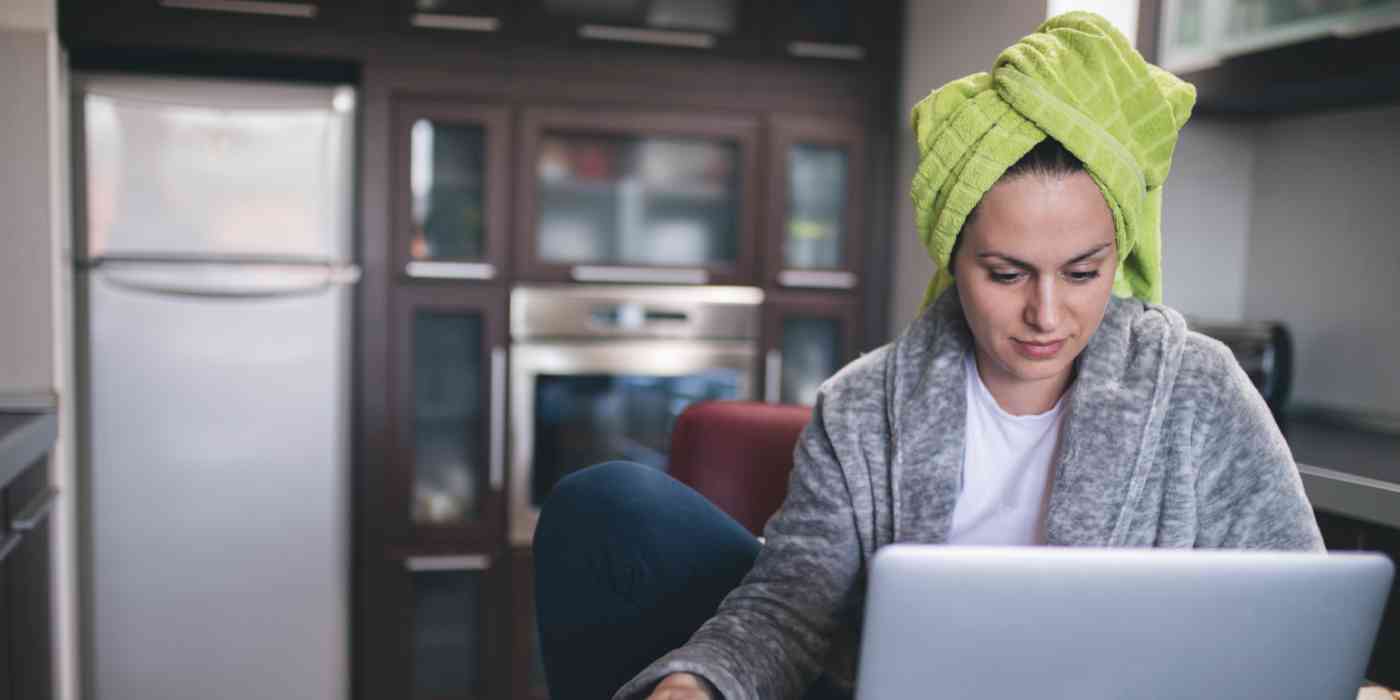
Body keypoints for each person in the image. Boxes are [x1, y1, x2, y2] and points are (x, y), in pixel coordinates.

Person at [533, 12, 1325, 700]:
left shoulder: (1196, 389)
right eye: (1006, 273)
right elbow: (790, 606)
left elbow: (1298, 618)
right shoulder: (864, 404)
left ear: (1118, 251)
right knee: (610, 506)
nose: (1047, 314)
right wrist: (696, 681)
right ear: (954, 256)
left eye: (1084, 272)